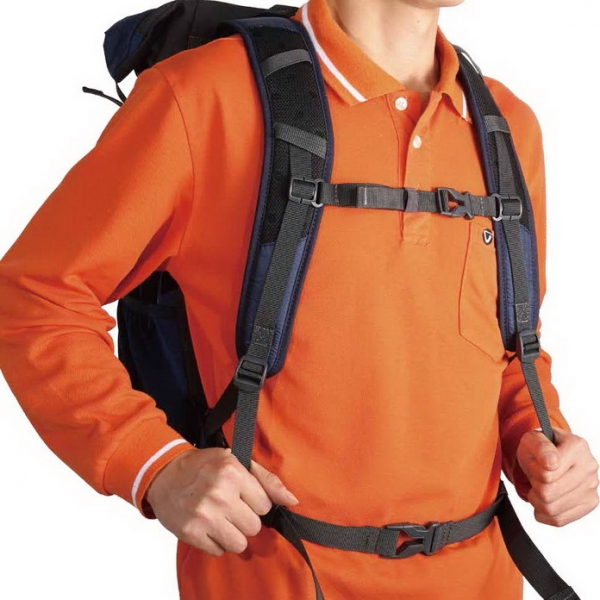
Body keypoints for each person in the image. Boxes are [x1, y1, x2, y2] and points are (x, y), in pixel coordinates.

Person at [0, 0, 597, 598]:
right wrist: (152, 464)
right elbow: (34, 296)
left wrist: (538, 439)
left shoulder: (506, 127)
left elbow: (507, 344)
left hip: (484, 579)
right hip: (277, 577)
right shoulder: (206, 96)